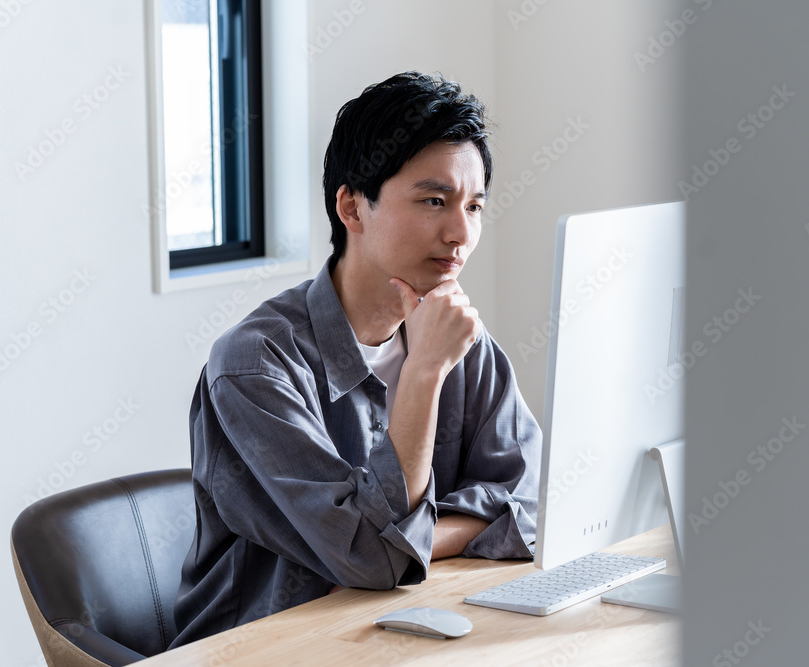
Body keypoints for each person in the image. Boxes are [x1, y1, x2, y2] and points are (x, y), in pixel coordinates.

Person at [170, 71, 541, 647]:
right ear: (352, 207)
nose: (460, 233)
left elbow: (530, 506)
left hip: (398, 631)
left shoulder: (459, 338)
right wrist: (423, 374)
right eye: (434, 201)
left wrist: (410, 541)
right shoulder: (254, 363)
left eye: (474, 206)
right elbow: (373, 559)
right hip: (262, 649)